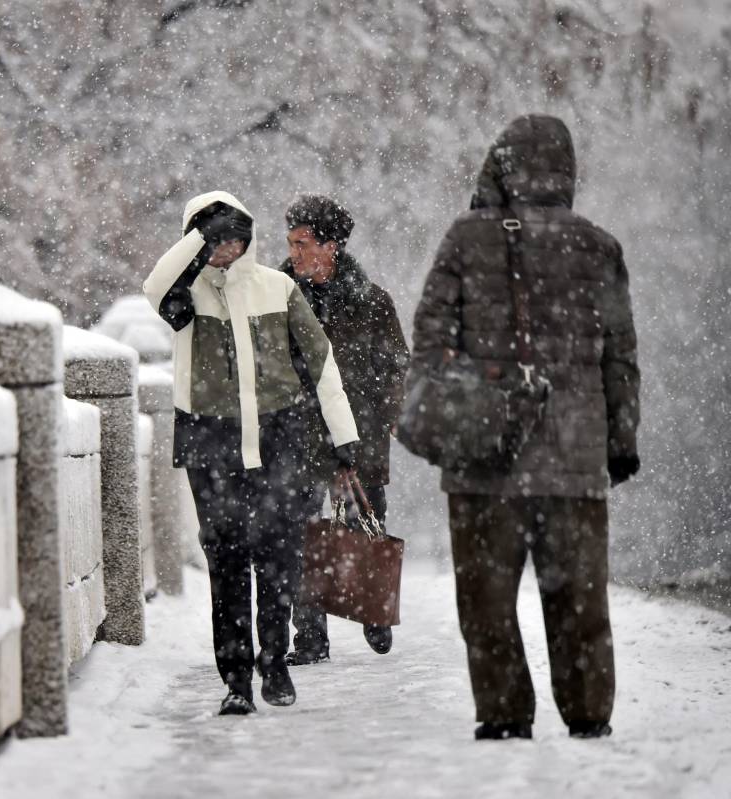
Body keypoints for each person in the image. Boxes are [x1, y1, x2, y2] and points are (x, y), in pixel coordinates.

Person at [411, 114, 640, 740]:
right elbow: (619, 358)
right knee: (579, 601)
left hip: (484, 459)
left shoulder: (466, 239)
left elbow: (430, 339)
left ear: (501, 164)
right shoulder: (599, 247)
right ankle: (589, 712)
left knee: (485, 601)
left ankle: (506, 711)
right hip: (575, 458)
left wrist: (466, 396)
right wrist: (619, 443)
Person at [143, 190, 359, 716]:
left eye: (237, 239)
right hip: (210, 446)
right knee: (228, 562)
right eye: (217, 242)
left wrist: (344, 439)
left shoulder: (278, 287)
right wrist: (200, 235)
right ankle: (236, 677)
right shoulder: (186, 298)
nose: (227, 251)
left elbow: (321, 363)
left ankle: (275, 658)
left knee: (279, 556)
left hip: (279, 441)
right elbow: (153, 289)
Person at [279, 194, 411, 662]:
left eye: (303, 244)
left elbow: (397, 364)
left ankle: (374, 609)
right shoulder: (278, 296)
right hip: (296, 430)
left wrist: (393, 413)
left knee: (366, 524)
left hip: (360, 430)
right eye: (290, 243)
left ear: (331, 246)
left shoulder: (372, 301)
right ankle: (310, 637)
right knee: (300, 532)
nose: (294, 253)